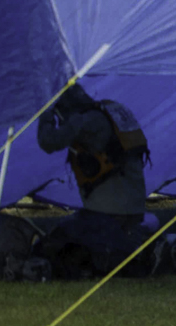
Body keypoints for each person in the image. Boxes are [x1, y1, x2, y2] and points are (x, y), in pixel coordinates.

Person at [36, 83, 147, 228]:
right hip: (134, 207)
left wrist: (46, 113)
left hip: (110, 211)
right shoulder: (107, 112)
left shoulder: (85, 120)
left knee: (62, 236)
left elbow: (49, 142)